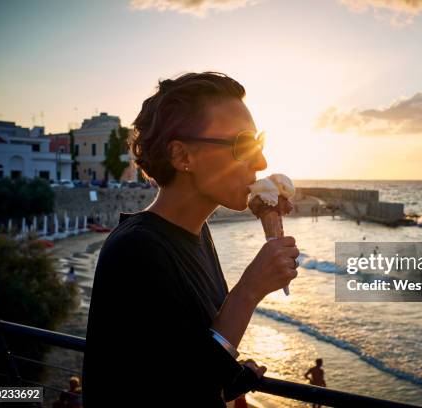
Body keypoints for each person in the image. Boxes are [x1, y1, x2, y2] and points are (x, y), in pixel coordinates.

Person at [82, 72, 300, 407]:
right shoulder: (137, 249)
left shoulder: (196, 236)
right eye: (244, 145)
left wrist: (232, 380)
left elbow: (175, 360)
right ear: (183, 156)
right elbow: (181, 390)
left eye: (260, 143)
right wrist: (249, 291)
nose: (261, 161)